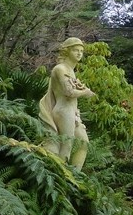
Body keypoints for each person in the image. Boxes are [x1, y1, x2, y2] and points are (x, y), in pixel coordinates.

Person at [39, 37, 95, 170]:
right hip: (64, 111)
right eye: (76, 50)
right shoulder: (60, 69)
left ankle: (75, 176)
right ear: (67, 51)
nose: (79, 53)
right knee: (66, 145)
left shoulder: (71, 71)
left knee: (83, 143)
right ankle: (61, 178)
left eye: (81, 50)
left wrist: (83, 90)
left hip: (73, 113)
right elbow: (69, 92)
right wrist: (85, 92)